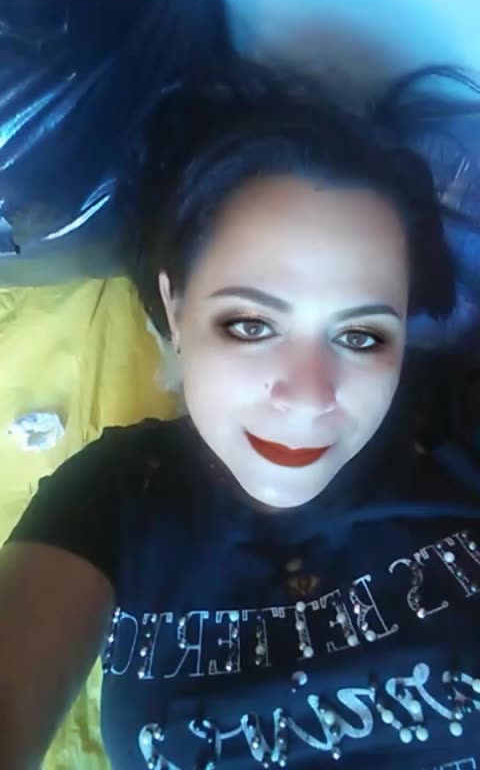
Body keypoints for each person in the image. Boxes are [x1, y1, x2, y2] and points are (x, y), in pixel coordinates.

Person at [1, 59, 479, 770]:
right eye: (250, 325)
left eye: (361, 336)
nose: (309, 396)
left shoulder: (457, 430)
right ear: (175, 310)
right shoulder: (116, 498)